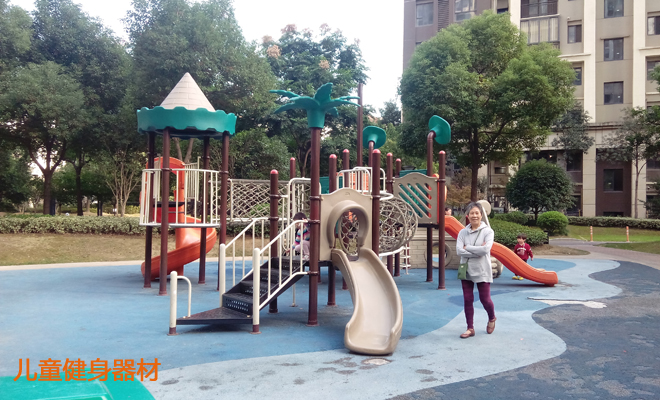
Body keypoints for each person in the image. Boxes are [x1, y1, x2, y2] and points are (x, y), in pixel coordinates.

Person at [456, 202, 496, 339]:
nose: (474, 215)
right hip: (466, 269)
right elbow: (459, 251)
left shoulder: (488, 231)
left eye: (477, 213)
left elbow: (485, 250)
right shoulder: (462, 232)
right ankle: (470, 328)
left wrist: (467, 247)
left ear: (481, 215)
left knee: (485, 299)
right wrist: (477, 251)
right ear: (467, 215)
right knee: (468, 299)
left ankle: (492, 317)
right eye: (472, 213)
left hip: (482, 269)